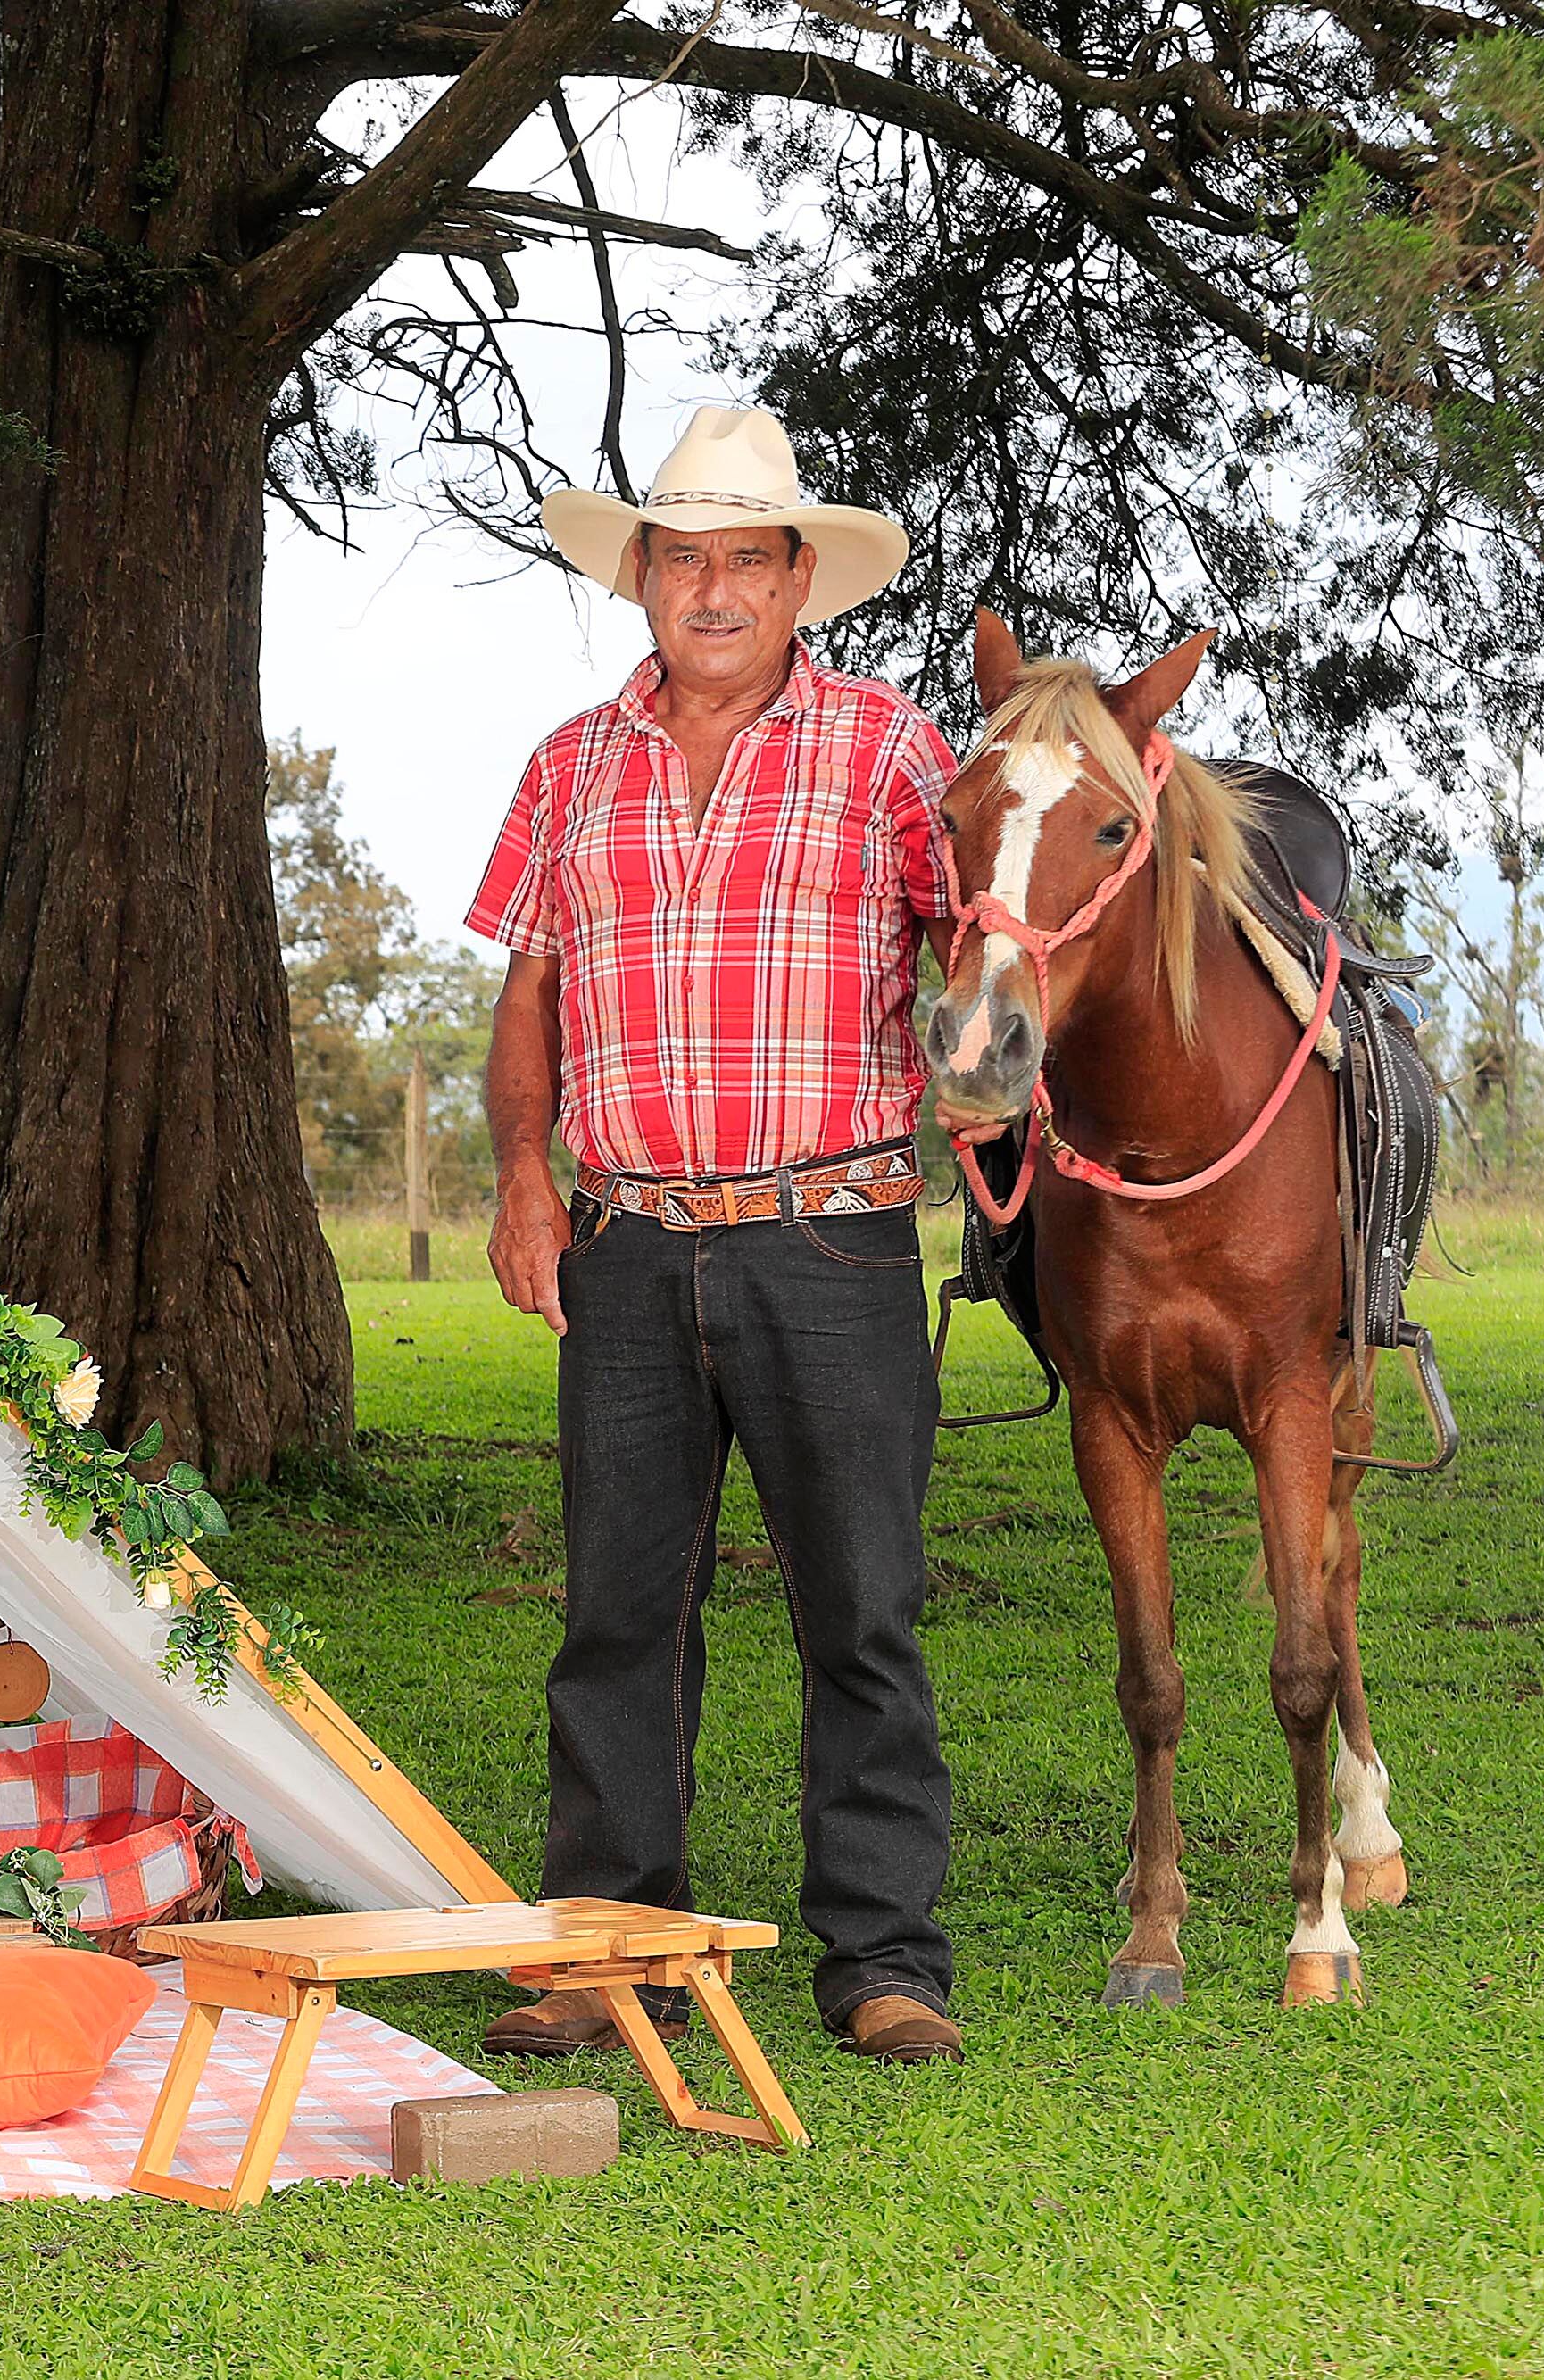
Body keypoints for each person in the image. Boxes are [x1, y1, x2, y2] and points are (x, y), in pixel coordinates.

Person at [469, 405, 967, 2069]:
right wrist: (524, 1175)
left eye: (747, 557)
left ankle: (883, 1959)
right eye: (683, 558)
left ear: (800, 576)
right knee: (618, 1610)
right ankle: (611, 1951)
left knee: (863, 1609)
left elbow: (979, 951)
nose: (715, 588)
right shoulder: (567, 763)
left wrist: (993, 1092)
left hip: (833, 1238)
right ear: (641, 577)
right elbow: (530, 984)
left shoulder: (891, 750)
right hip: (624, 1243)